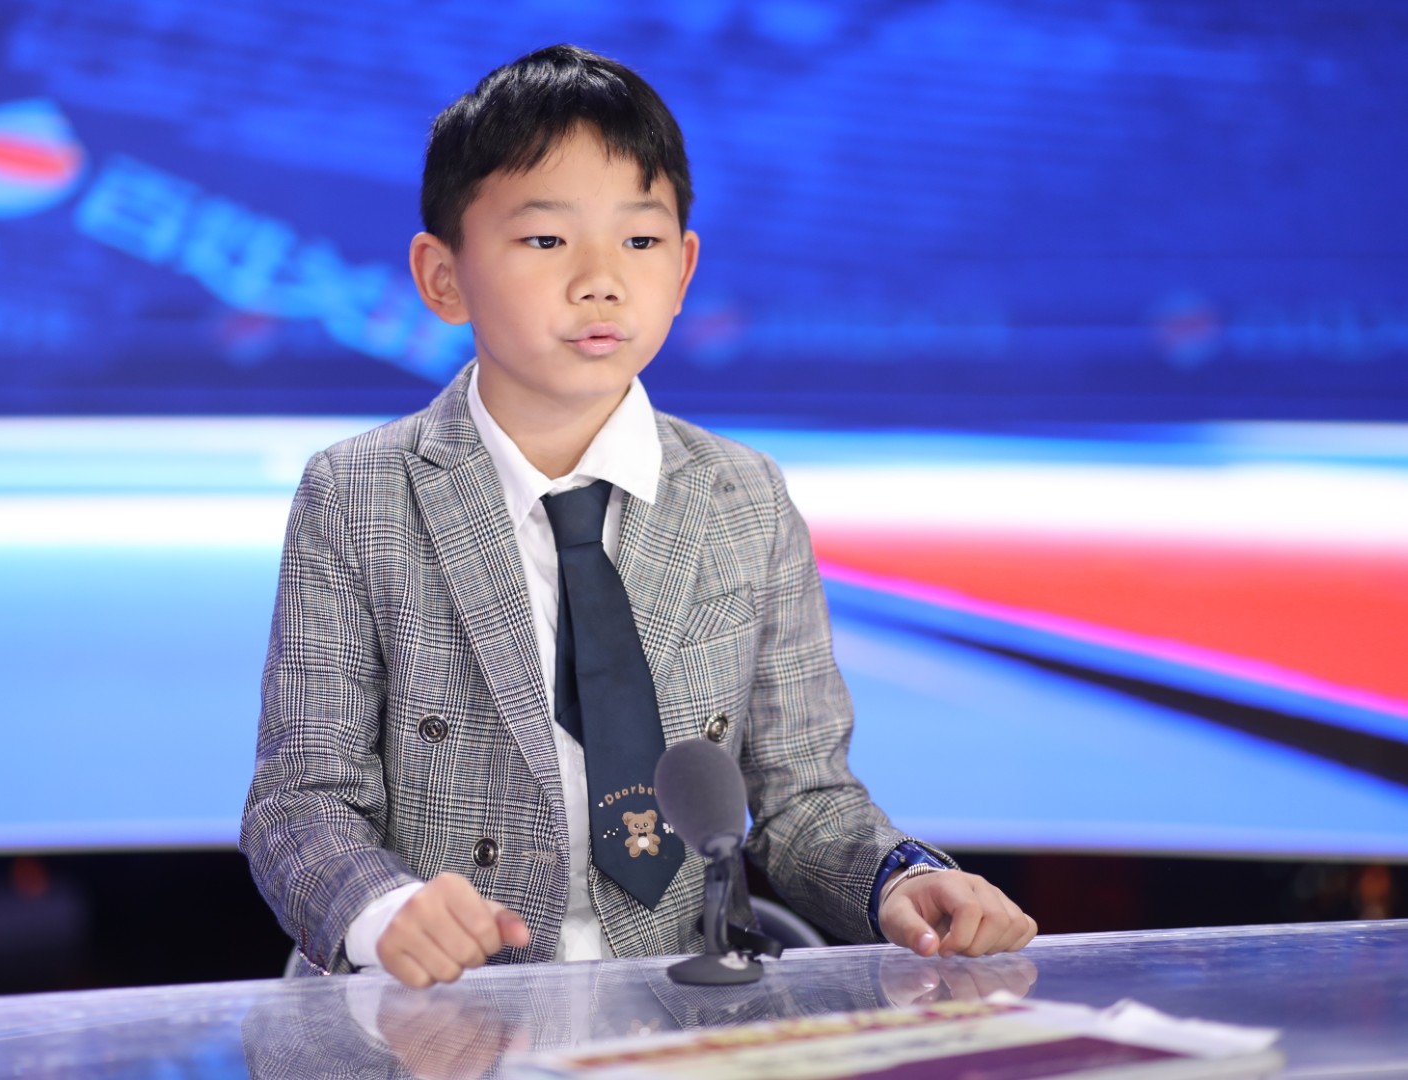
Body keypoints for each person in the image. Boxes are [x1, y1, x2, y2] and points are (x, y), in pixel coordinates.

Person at [241, 43, 1036, 990]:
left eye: (641, 241)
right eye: (546, 241)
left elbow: (804, 802)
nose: (601, 280)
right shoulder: (358, 493)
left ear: (685, 267)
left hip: (679, 1015)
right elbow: (300, 802)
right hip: (433, 1017)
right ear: (441, 276)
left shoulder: (744, 497)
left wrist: (899, 877)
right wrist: (382, 911)